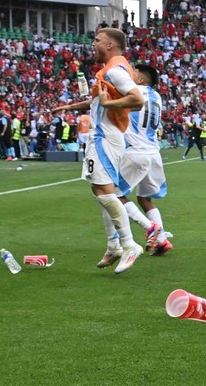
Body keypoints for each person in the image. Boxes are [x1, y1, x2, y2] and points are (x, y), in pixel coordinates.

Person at [62, 27, 151, 271]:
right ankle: (114, 245)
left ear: (110, 45)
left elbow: (137, 100)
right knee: (101, 190)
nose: (94, 44)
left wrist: (108, 103)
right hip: (105, 136)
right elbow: (98, 101)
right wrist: (70, 108)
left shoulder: (115, 71)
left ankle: (129, 244)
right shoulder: (114, 70)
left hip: (105, 137)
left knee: (103, 191)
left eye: (98, 40)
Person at [127, 59, 174, 255]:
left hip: (135, 150)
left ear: (139, 78)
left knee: (113, 195)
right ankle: (162, 240)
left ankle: (149, 228)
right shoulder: (157, 97)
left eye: (132, 73)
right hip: (153, 152)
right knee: (144, 198)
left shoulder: (133, 92)